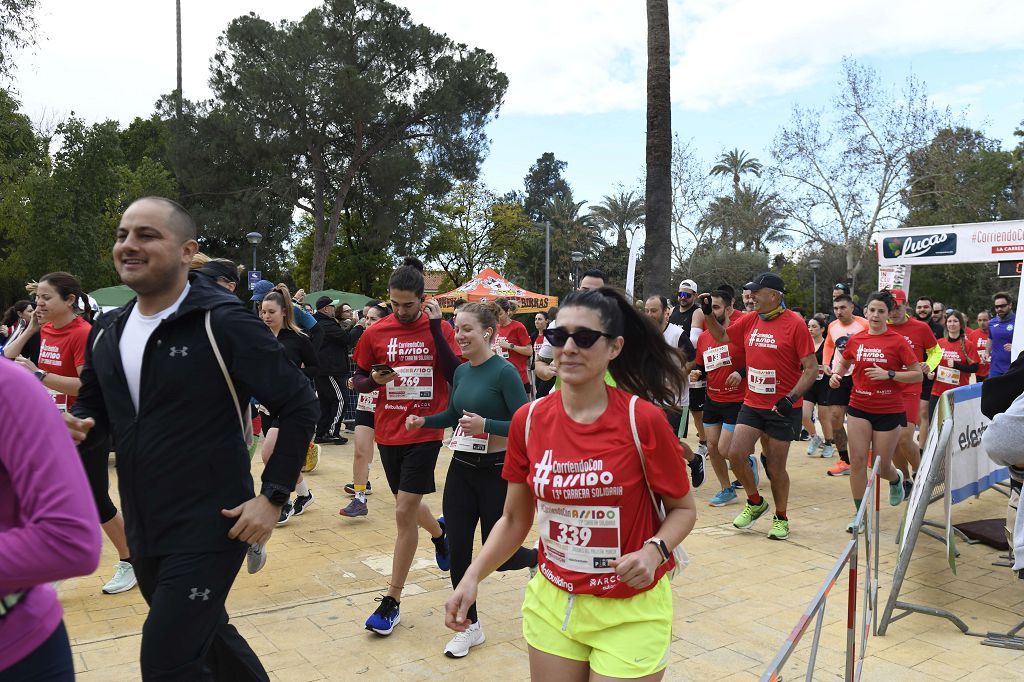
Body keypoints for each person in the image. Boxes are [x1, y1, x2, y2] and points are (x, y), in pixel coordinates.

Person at [65, 196, 318, 680]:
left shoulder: (221, 320)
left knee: (165, 661)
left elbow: (299, 402)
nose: (129, 245)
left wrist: (273, 496)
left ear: (187, 251)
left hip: (213, 522)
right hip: (144, 521)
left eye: (146, 235)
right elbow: (93, 411)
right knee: (210, 642)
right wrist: (74, 427)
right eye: (123, 235)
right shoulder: (107, 330)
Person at [445, 286, 696, 680]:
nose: (568, 348)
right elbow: (513, 519)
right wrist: (473, 575)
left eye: (585, 338)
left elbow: (683, 509)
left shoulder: (642, 420)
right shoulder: (528, 421)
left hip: (630, 609)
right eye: (560, 337)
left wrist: (653, 552)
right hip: (554, 601)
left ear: (614, 347)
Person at [406, 302, 536, 658]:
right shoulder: (461, 373)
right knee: (460, 550)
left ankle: (536, 558)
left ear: (488, 333)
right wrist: (425, 421)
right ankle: (470, 627)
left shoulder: (505, 373)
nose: (460, 336)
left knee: (503, 556)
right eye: (457, 329)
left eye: (467, 329)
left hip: (497, 471)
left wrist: (487, 426)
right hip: (461, 469)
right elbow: (453, 413)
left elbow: (524, 423)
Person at [5, 273, 136, 595]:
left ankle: (131, 560)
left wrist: (38, 375)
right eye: (37, 298)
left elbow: (86, 386)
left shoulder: (84, 334)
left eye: (46, 298)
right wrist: (30, 330)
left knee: (93, 498)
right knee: (47, 493)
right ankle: (55, 561)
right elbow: (7, 361)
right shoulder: (45, 329)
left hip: (86, 425)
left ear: (70, 300)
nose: (39, 304)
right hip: (53, 423)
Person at [351, 257, 459, 636]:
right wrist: (375, 381)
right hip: (388, 429)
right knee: (408, 505)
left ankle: (391, 601)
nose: (400, 311)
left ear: (423, 298)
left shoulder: (439, 328)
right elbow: (359, 379)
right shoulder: (376, 332)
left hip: (427, 430)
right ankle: (440, 535)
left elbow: (454, 373)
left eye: (408, 304)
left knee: (401, 511)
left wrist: (434, 324)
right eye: (394, 304)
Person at [0, 361, 102, 681]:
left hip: (18, 644)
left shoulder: (10, 386)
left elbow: (71, 539)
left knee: (105, 507)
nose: (41, 306)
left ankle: (128, 559)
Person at [701, 272, 817, 540]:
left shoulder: (795, 324)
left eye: (757, 292)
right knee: (735, 452)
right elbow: (720, 337)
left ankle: (781, 517)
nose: (751, 296)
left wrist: (791, 397)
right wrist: (707, 313)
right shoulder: (751, 320)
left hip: (783, 407)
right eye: (750, 292)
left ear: (774, 296)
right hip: (753, 402)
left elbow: (811, 369)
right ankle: (754, 502)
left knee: (775, 468)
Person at [829, 291, 922, 532]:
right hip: (859, 406)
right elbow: (846, 360)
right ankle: (860, 516)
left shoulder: (897, 341)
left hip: (889, 409)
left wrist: (889, 374)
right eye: (872, 310)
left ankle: (896, 479)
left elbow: (916, 373)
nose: (876, 315)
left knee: (880, 467)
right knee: (858, 460)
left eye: (881, 311)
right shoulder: (856, 340)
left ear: (889, 313)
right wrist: (838, 375)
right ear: (866, 312)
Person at [692, 289, 761, 506]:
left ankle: (746, 461)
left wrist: (740, 373)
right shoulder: (703, 338)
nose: (710, 312)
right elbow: (702, 366)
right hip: (713, 399)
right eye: (708, 309)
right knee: (712, 447)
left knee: (725, 449)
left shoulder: (739, 334)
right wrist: (697, 373)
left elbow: (758, 360)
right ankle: (726, 489)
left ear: (729, 308)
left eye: (716, 307)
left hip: (738, 400)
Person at [258, 285, 321, 524]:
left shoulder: (298, 339)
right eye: (263, 312)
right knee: (281, 455)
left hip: (292, 406)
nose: (265, 316)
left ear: (284, 311)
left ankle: (281, 503)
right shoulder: (258, 336)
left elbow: (315, 368)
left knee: (269, 454)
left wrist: (295, 375)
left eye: (270, 312)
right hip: (266, 406)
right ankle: (304, 495)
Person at [643, 294, 705, 487]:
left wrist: (678, 375)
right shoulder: (644, 335)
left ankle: (693, 461)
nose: (649, 314)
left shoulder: (677, 334)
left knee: (670, 442)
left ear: (665, 313)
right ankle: (666, 475)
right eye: (646, 311)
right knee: (651, 442)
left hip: (675, 399)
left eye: (653, 311)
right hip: (650, 397)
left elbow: (693, 359)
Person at [886, 289, 941, 498]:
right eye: (890, 308)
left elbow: (936, 350)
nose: (893, 312)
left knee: (903, 437)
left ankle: (922, 474)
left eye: (897, 307)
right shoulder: (880, 327)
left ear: (906, 304)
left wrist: (929, 364)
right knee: (892, 443)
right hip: (887, 387)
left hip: (910, 387)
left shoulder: (920, 327)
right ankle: (906, 480)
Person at [340, 300, 391, 517]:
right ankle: (359, 499)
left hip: (391, 404)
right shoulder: (365, 339)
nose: (368, 322)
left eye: (373, 319)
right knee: (361, 449)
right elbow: (360, 370)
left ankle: (407, 494)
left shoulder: (394, 341)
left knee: (390, 454)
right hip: (367, 401)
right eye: (367, 318)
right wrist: (356, 380)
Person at [821, 295, 869, 477]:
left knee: (861, 420)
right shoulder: (832, 326)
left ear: (852, 307)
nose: (838, 312)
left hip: (861, 376)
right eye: (835, 308)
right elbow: (828, 344)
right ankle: (844, 460)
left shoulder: (864, 324)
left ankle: (867, 454)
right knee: (834, 417)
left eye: (842, 308)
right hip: (838, 376)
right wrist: (826, 363)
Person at [534, 269, 608, 383]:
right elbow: (539, 362)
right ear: (578, 291)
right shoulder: (557, 324)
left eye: (596, 292)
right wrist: (547, 370)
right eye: (585, 290)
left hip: (608, 398)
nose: (589, 296)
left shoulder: (616, 327)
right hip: (565, 399)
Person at [668, 279, 708, 455]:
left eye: (687, 295)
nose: (682, 298)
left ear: (695, 296)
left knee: (696, 408)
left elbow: (693, 341)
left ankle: (704, 442)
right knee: (682, 404)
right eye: (680, 294)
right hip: (675, 364)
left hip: (693, 365)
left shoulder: (697, 312)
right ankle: (705, 438)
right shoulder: (673, 311)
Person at [311, 296, 356, 445]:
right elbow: (346, 339)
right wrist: (359, 326)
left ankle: (322, 433)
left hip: (326, 369)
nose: (333, 309)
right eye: (331, 306)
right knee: (340, 399)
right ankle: (332, 432)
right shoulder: (325, 324)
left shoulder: (321, 323)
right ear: (325, 309)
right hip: (330, 369)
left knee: (326, 402)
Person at [928, 310, 979, 419]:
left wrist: (957, 366)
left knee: (954, 424)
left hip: (958, 392)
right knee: (933, 423)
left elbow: (975, 368)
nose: (952, 324)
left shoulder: (968, 345)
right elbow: (933, 364)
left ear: (961, 324)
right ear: (946, 324)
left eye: (955, 321)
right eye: (949, 321)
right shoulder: (939, 343)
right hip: (938, 391)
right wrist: (930, 373)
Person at [803, 314, 835, 458]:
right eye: (809, 326)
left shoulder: (828, 344)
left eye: (814, 326)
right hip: (809, 384)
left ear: (822, 329)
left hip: (824, 385)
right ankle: (815, 438)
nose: (810, 329)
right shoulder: (805, 343)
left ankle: (829, 443)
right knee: (803, 415)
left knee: (824, 418)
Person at [492, 297, 533, 394]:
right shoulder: (495, 328)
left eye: (500, 314)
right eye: (496, 314)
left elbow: (529, 351)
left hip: (518, 378)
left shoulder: (518, 327)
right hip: (500, 377)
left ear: (508, 311)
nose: (498, 317)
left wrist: (510, 346)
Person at [989, 292, 1016, 379]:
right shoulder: (991, 322)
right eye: (997, 307)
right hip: (995, 369)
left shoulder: (1019, 321)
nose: (999, 309)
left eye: (1003, 306)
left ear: (1010, 305)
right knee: (993, 392)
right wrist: (986, 352)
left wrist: (1016, 347)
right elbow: (990, 338)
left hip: (1014, 368)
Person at [531, 308, 556, 399]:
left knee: (540, 395)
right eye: (536, 319)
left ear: (546, 321)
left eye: (540, 319)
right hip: (537, 367)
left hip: (550, 367)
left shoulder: (551, 333)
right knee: (540, 394)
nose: (537, 321)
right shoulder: (533, 336)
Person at [971, 309, 992, 383]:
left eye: (985, 320)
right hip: (979, 371)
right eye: (979, 320)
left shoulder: (995, 332)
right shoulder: (973, 334)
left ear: (990, 320)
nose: (982, 323)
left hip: (992, 370)